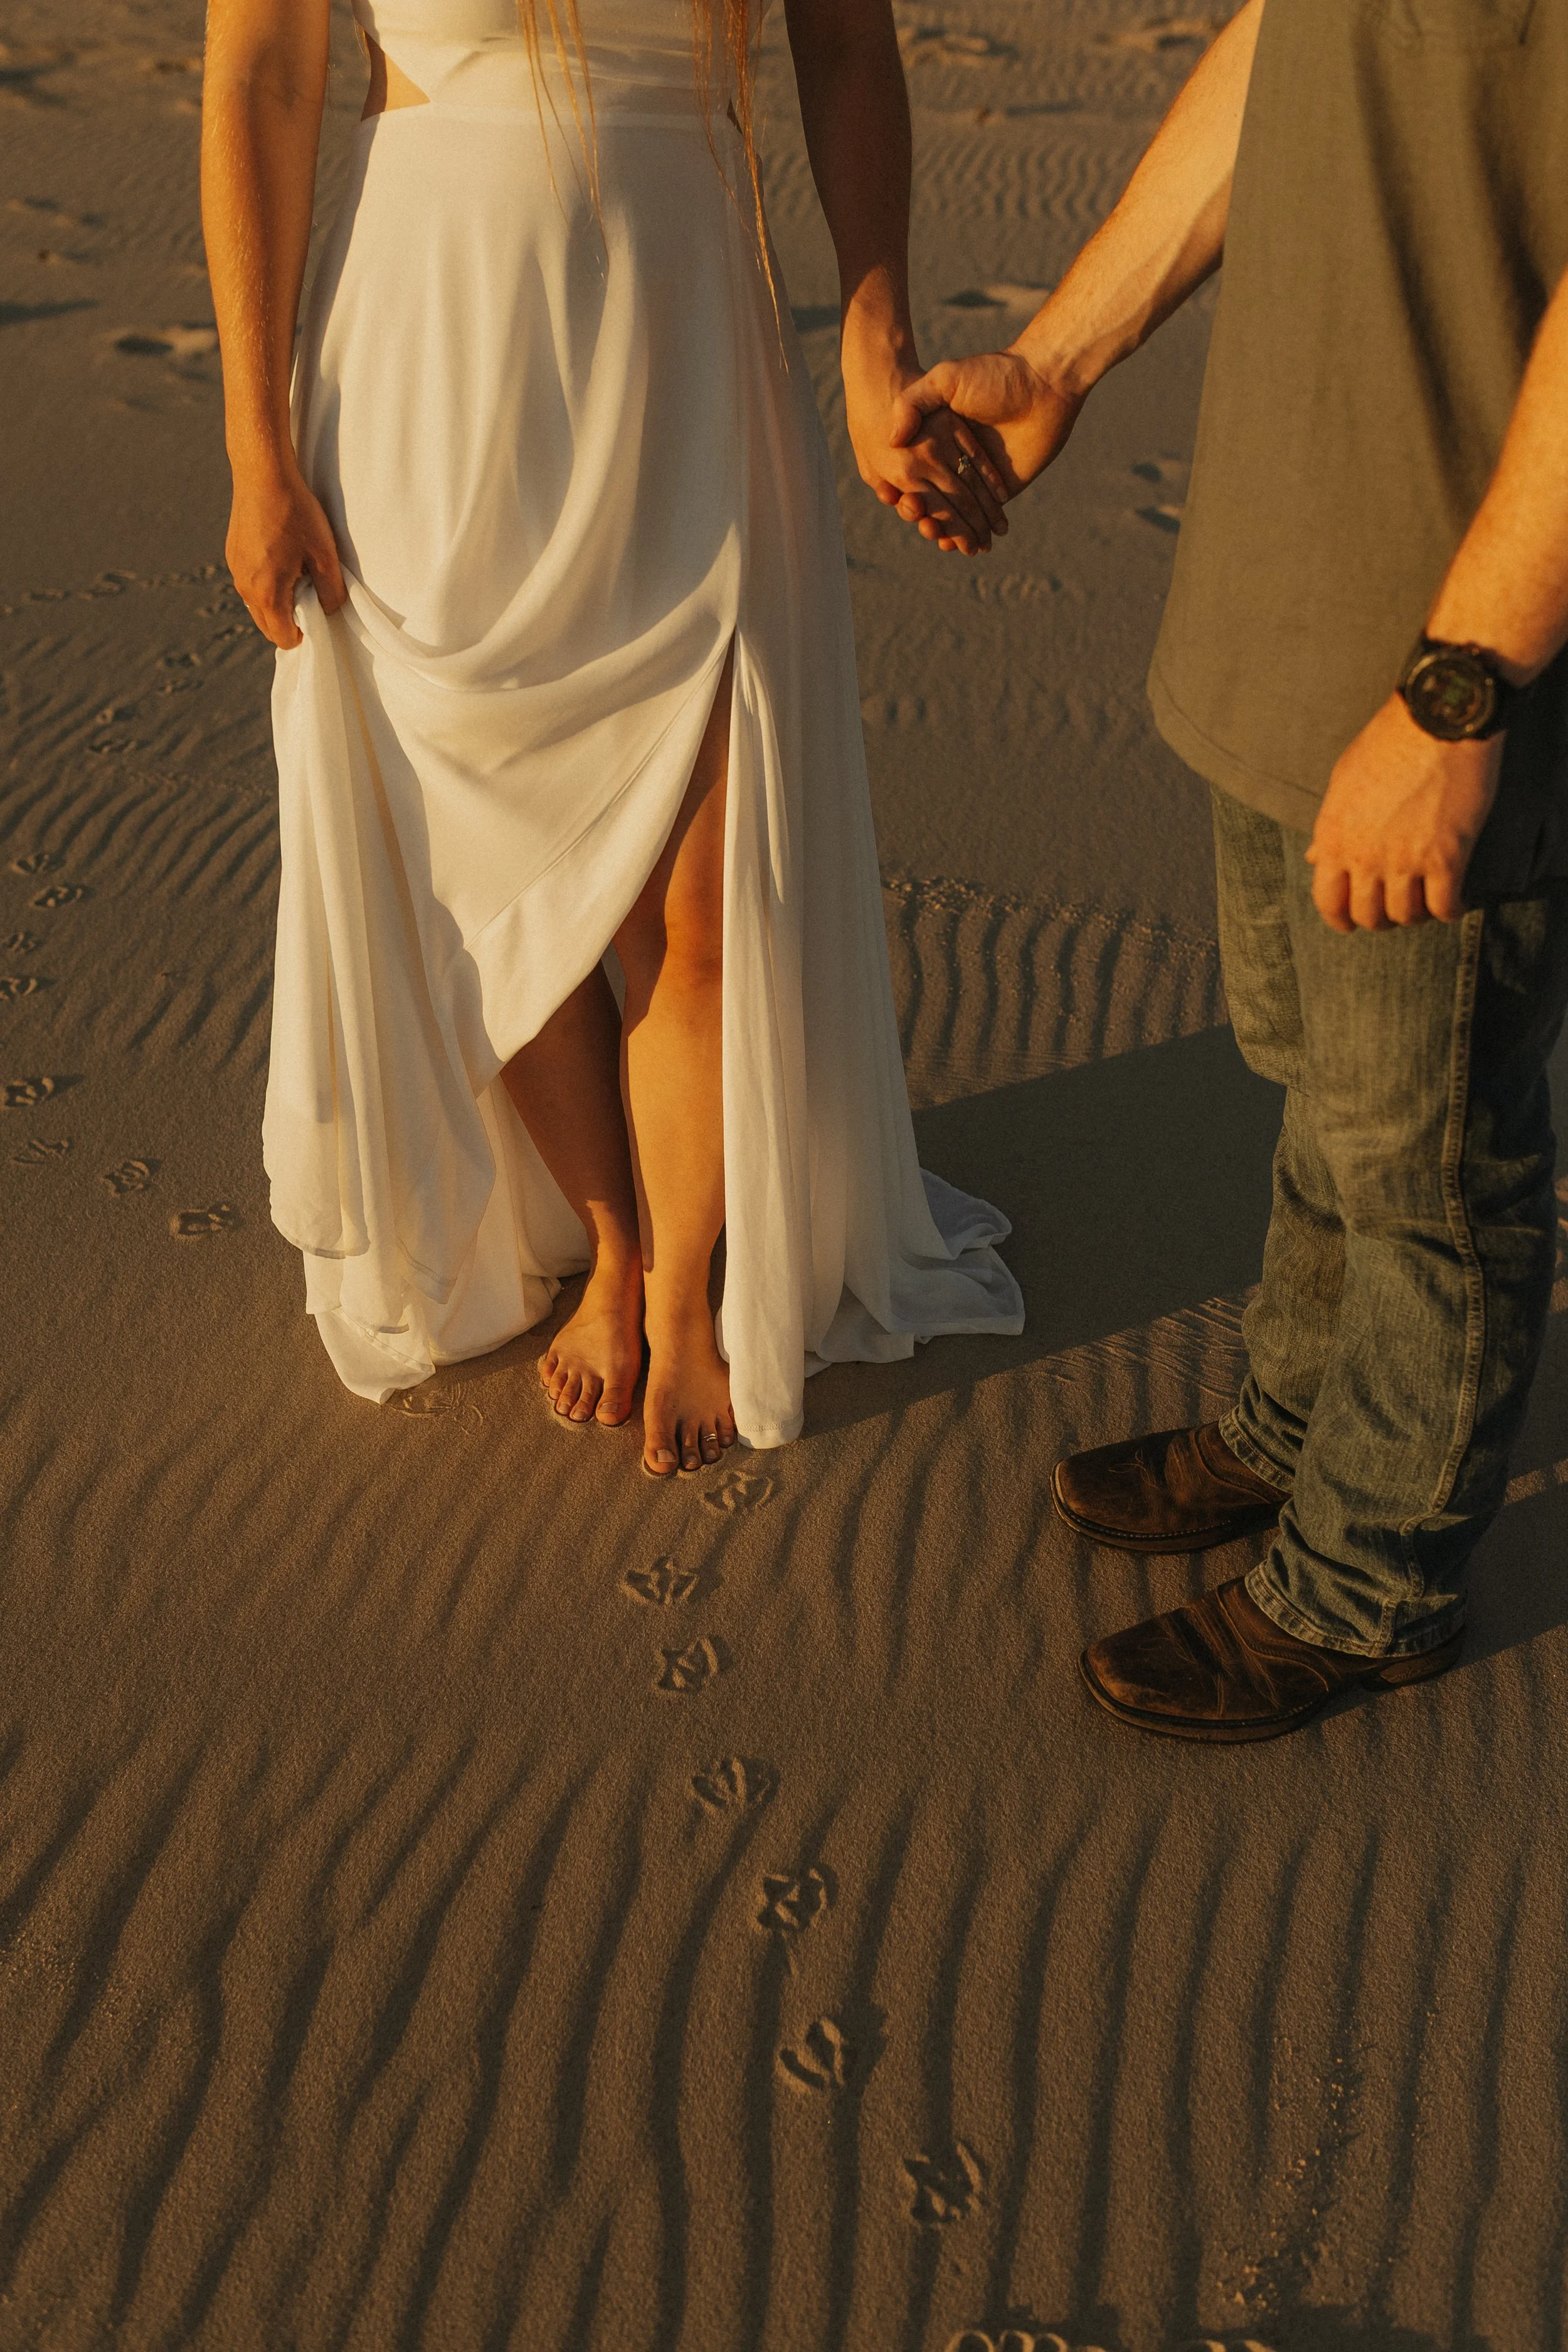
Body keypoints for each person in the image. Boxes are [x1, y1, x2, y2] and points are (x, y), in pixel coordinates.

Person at [201, 0, 1024, 1478]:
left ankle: (690, 1294)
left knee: (696, 891)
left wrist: (869, 323)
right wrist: (256, 450)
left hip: (683, 345)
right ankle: (609, 1240)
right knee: (478, 856)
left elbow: (843, 40)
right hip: (430, 362)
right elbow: (259, 72)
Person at [893, 0, 1568, 1737]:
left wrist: (1456, 688)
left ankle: (1373, 1575)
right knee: (1321, 1087)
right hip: (1286, 570)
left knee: (1427, 1146)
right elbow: (1289, 43)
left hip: (1454, 623)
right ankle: (1295, 1417)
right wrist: (1055, 359)